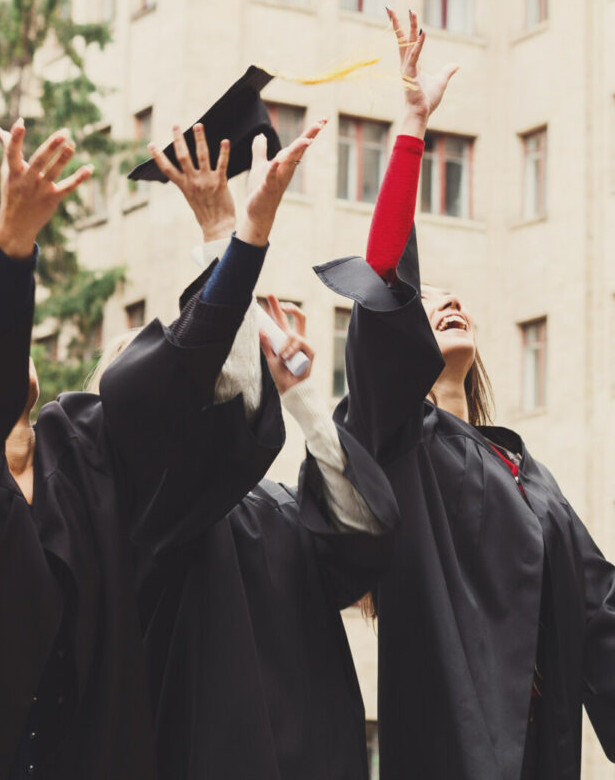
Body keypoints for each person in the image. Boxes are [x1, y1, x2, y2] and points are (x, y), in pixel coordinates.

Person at [0, 115, 322, 780]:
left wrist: (236, 241)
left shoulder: (84, 449)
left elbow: (186, 379)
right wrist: (10, 241)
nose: (0, 344)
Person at [315, 10, 615, 780]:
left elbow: (598, 603)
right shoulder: (395, 439)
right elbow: (386, 291)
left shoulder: (530, 476)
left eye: (461, 301)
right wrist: (411, 135)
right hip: (449, 733)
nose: (448, 304)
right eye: (432, 304)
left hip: (538, 746)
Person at [133, 129, 397, 780]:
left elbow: (366, 528)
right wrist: (225, 233)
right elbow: (223, 406)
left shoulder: (281, 513)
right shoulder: (148, 510)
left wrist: (303, 397)